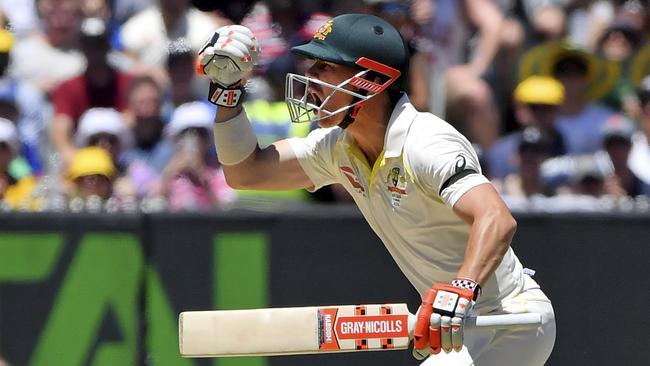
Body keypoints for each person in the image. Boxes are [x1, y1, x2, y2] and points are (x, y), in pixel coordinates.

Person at [197, 14, 555, 365]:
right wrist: (229, 93)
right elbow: (248, 173)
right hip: (459, 326)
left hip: (510, 319)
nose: (309, 79)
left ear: (370, 80)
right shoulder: (336, 147)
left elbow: (496, 216)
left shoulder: (427, 142)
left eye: (324, 68)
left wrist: (460, 289)